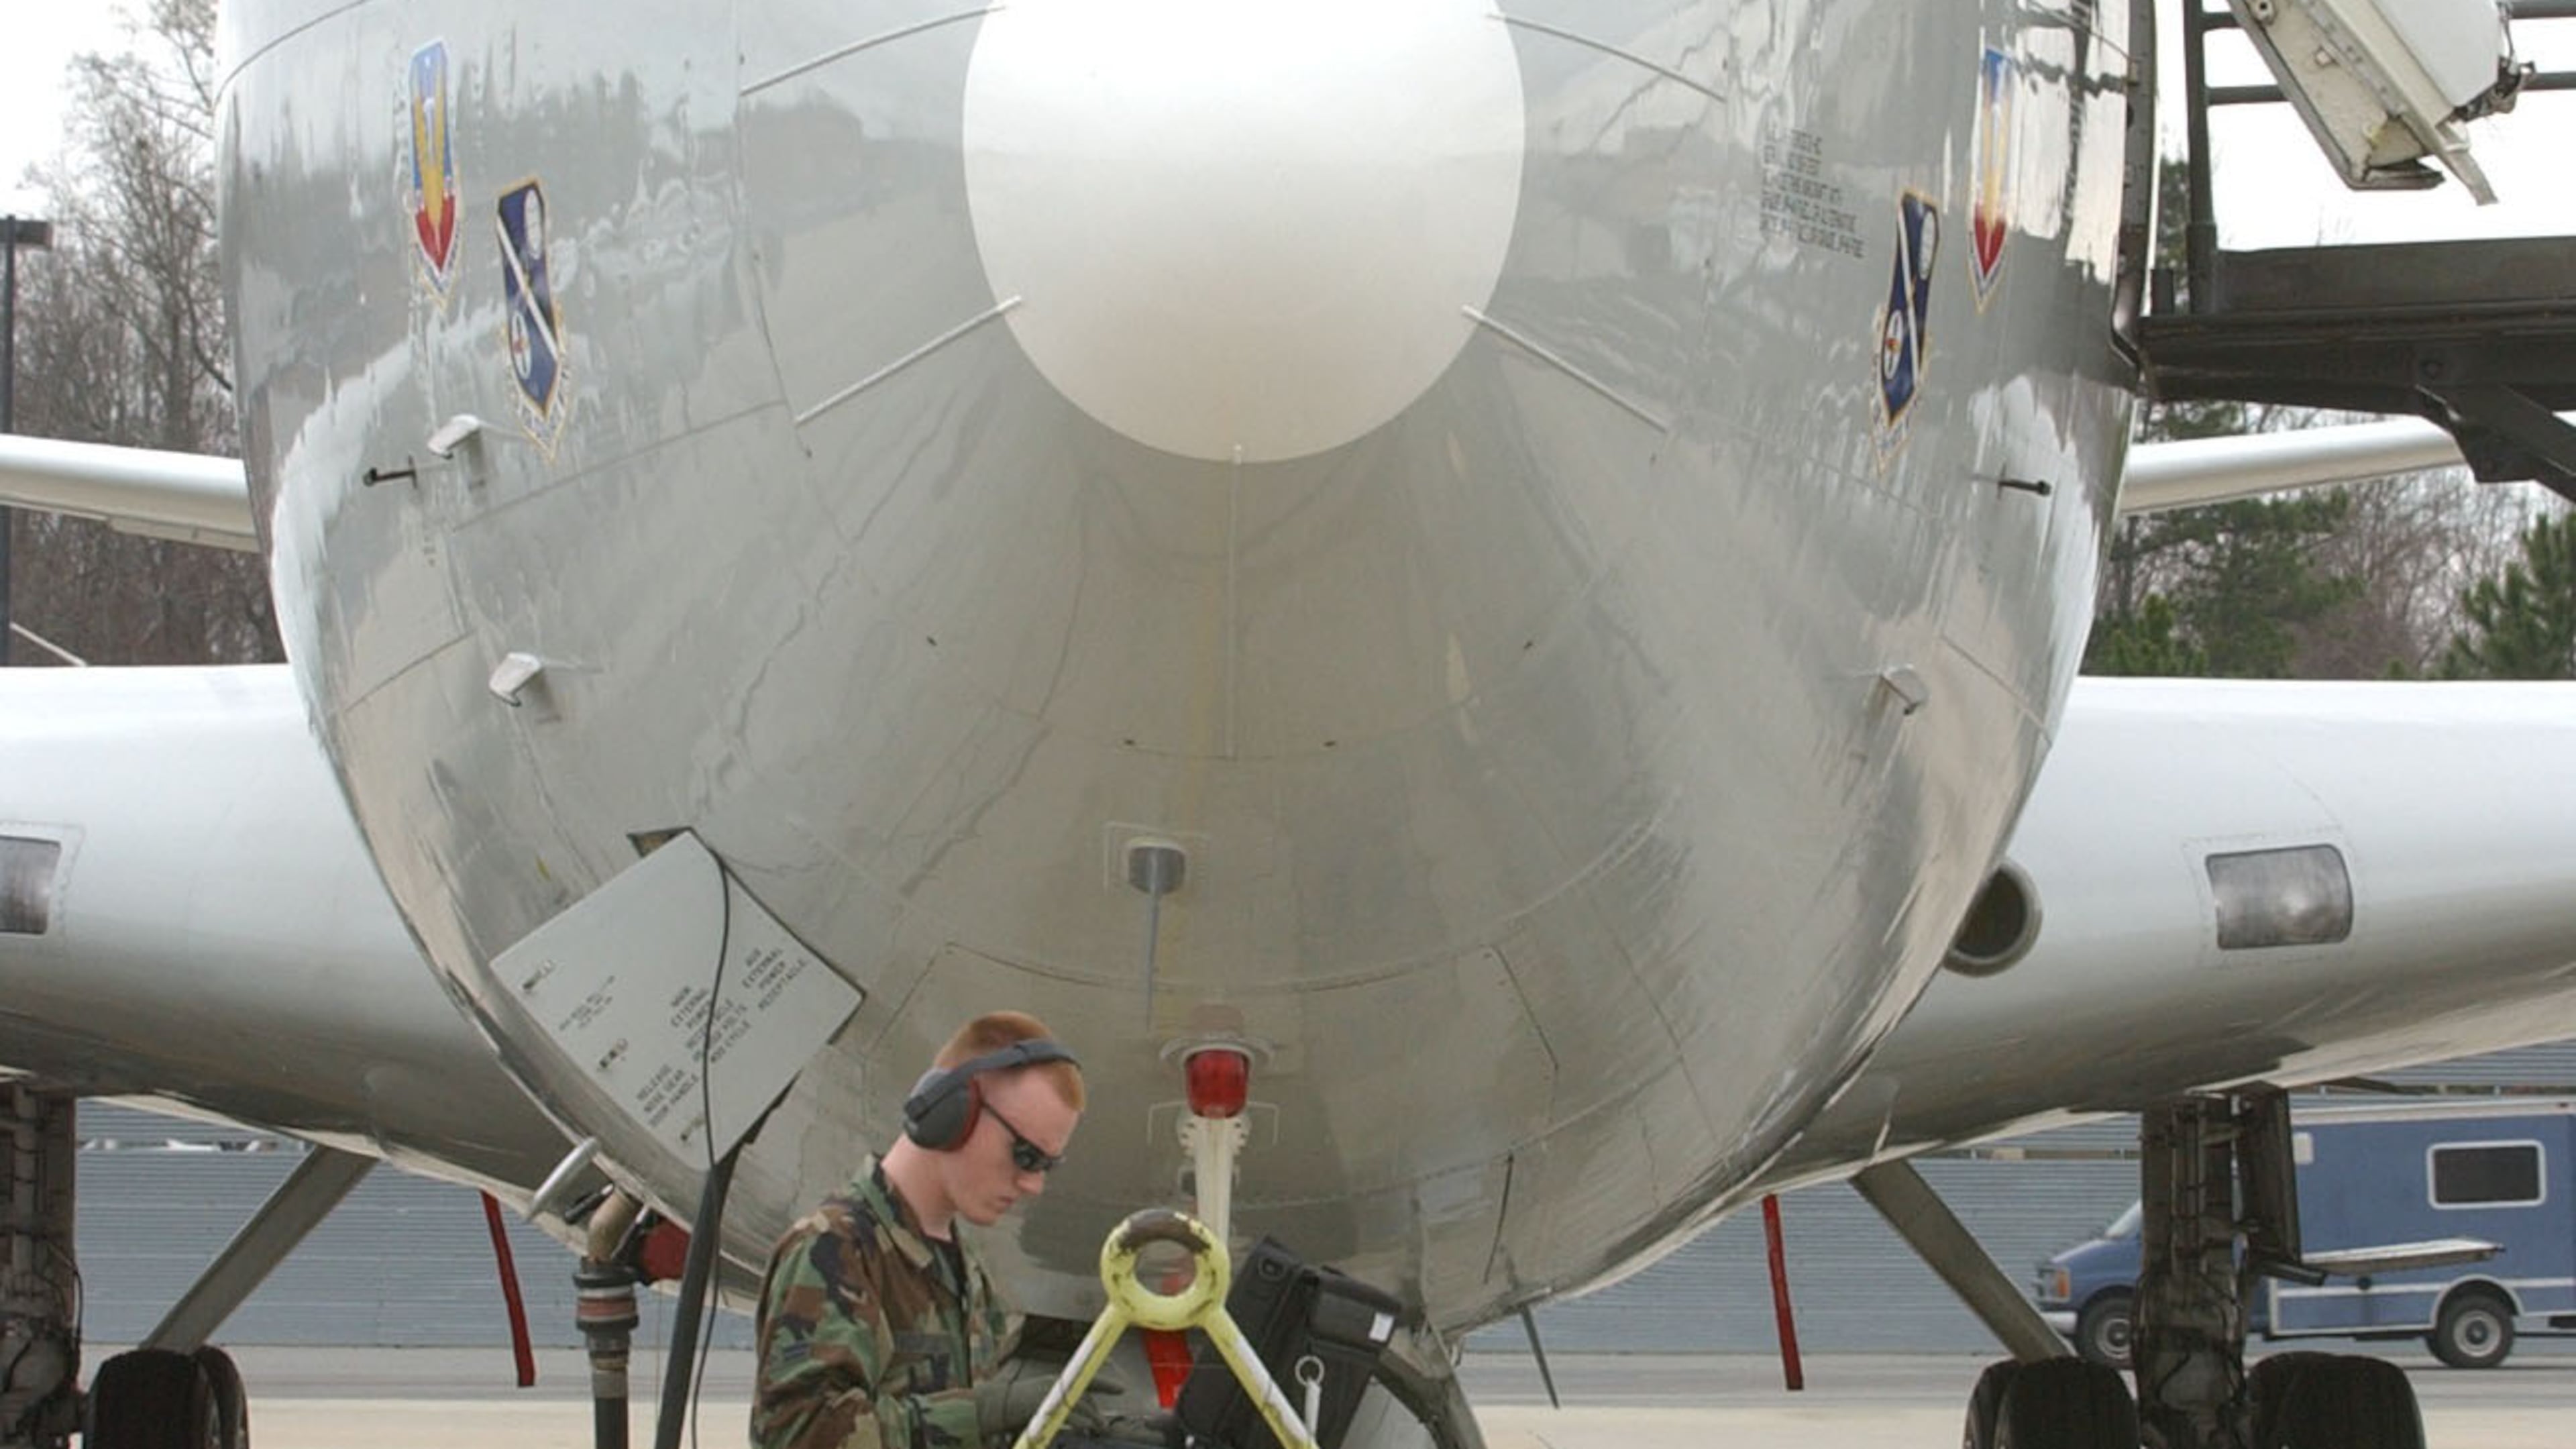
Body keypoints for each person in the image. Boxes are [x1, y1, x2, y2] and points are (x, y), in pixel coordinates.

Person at [751, 1010, 1110, 1449]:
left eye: (1047, 1166)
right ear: (954, 1111)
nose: (1034, 1184)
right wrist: (983, 1413)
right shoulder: (835, 1249)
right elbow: (800, 1432)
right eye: (1025, 1155)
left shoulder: (966, 1269)